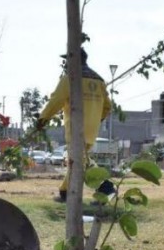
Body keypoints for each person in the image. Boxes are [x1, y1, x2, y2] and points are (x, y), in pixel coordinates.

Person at [36, 47, 115, 202]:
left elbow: (56, 100)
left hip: (75, 128)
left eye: (67, 60)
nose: (65, 64)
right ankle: (65, 192)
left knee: (79, 161)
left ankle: (106, 188)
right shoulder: (99, 80)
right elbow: (107, 107)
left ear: (74, 60)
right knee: (79, 160)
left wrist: (43, 119)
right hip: (91, 129)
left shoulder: (70, 78)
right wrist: (96, 119)